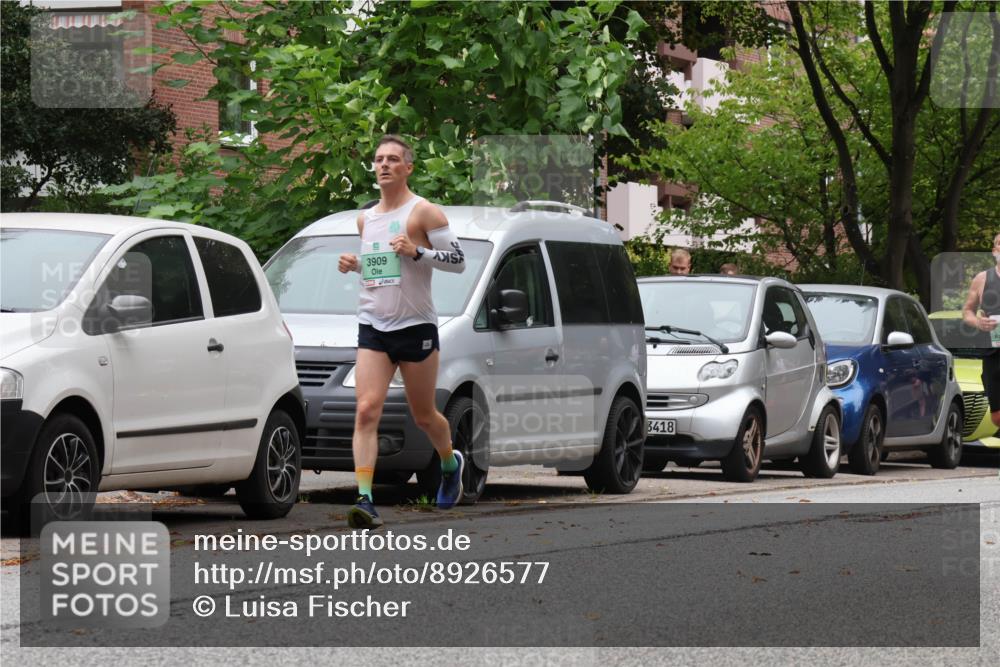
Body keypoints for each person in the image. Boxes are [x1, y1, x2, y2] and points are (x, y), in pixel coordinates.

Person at [338, 135, 467, 528]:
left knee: (424, 415)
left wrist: (418, 251)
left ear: (408, 167)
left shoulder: (425, 213)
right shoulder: (365, 219)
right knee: (366, 410)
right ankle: (365, 499)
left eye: (393, 159)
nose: (384, 165)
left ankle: (449, 464)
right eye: (379, 159)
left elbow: (459, 261)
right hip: (373, 325)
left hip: (416, 327)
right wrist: (356, 265)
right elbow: (382, 267)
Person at [962, 232, 1000, 427]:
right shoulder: (982, 278)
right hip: (993, 352)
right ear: (994, 251)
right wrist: (978, 322)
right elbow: (967, 311)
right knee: (997, 417)